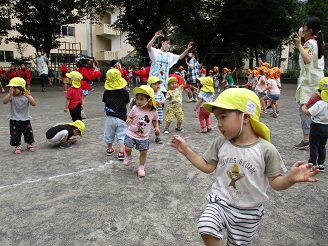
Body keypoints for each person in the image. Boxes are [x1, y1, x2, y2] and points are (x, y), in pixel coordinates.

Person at [170, 88, 319, 246]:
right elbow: (207, 166)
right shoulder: (221, 143)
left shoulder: (266, 150)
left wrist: (289, 178)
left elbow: (275, 182)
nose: (219, 125)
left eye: (223, 117)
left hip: (248, 211)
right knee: (206, 226)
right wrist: (186, 151)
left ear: (245, 117)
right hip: (220, 202)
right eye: (217, 119)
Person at [294, 16, 325, 150]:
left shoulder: (309, 43)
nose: (302, 27)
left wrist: (299, 45)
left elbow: (307, 59)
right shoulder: (317, 42)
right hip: (315, 80)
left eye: (304, 25)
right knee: (317, 110)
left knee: (305, 109)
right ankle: (315, 138)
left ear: (310, 30)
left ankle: (307, 138)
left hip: (309, 82)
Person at [123, 85, 159, 177]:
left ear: (149, 100)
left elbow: (155, 120)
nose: (138, 101)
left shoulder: (153, 111)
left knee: (143, 152)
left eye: (141, 99)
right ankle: (128, 155)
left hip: (143, 136)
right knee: (127, 148)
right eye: (137, 99)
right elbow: (130, 116)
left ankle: (141, 167)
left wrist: (156, 127)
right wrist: (129, 119)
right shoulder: (135, 108)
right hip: (131, 133)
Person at [147, 30, 193, 95]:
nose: (169, 45)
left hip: (163, 85)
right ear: (162, 42)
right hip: (153, 84)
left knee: (161, 103)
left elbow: (180, 57)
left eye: (170, 44)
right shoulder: (156, 52)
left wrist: (187, 49)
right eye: (167, 43)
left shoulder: (170, 55)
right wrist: (155, 37)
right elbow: (148, 47)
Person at [2, 77, 36, 154]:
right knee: (15, 133)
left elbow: (34, 104)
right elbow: (4, 102)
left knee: (28, 132)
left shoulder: (26, 96)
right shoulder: (12, 96)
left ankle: (29, 144)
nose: (13, 90)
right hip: (14, 119)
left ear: (21, 88)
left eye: (15, 88)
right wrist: (9, 94)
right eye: (12, 88)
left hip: (25, 119)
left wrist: (28, 96)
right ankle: (17, 146)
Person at [302, 77, 328, 172]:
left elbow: (308, 112)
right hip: (326, 127)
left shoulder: (320, 104)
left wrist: (304, 107)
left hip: (317, 126)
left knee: (313, 146)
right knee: (322, 146)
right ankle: (321, 164)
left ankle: (312, 163)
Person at [103, 68, 130, 160]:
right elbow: (127, 103)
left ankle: (109, 149)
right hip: (121, 117)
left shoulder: (106, 92)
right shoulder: (125, 92)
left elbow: (105, 102)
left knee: (108, 134)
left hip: (110, 117)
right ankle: (121, 152)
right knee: (122, 135)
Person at [148, 76, 166, 144]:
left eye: (158, 84)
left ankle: (157, 137)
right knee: (147, 124)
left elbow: (164, 100)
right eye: (155, 84)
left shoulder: (160, 93)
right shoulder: (149, 93)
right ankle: (144, 136)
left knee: (157, 125)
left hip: (158, 113)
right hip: (149, 113)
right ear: (150, 85)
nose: (158, 86)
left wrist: (161, 102)